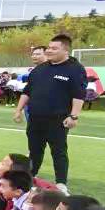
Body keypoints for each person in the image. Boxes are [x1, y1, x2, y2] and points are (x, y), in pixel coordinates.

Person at [12, 34, 85, 192]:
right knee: (34, 150)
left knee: (58, 151)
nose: (49, 51)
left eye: (54, 48)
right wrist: (18, 110)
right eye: (49, 48)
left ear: (65, 50)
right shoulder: (40, 69)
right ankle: (30, 178)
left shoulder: (75, 69)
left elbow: (78, 94)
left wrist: (74, 116)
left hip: (58, 119)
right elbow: (27, 91)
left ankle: (61, 183)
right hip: (36, 118)